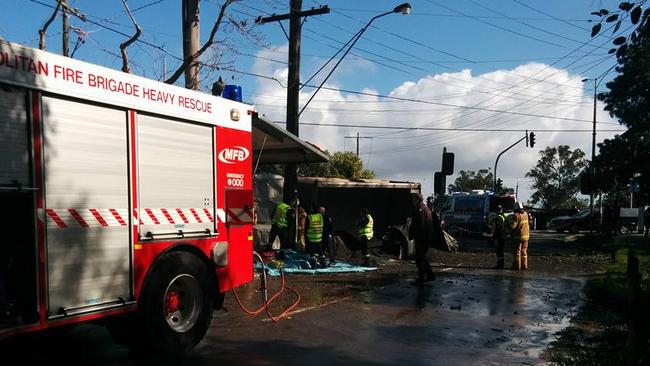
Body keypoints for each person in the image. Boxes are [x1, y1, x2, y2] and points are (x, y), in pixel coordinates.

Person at [409, 193, 436, 285]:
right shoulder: (425, 208)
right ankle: (429, 274)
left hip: (422, 237)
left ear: (416, 200)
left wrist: (415, 235)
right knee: (422, 257)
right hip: (425, 237)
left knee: (419, 258)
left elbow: (421, 224)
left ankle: (421, 278)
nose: (411, 202)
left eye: (413, 200)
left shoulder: (420, 210)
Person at [511, 202, 530, 270]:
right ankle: (524, 266)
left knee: (517, 252)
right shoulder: (525, 214)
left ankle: (516, 266)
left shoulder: (516, 215)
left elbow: (513, 226)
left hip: (518, 237)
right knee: (524, 252)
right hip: (526, 236)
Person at [305, 205, 325, 269]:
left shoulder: (309, 217)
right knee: (320, 252)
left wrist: (305, 235)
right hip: (319, 237)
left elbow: (306, 228)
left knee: (312, 253)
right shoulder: (320, 216)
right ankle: (323, 264)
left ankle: (313, 266)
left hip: (311, 238)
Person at [492, 205, 508, 269]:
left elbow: (498, 228)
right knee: (501, 250)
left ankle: (500, 265)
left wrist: (495, 237)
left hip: (499, 236)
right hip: (504, 235)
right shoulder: (504, 216)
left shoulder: (498, 217)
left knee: (499, 251)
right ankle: (501, 264)